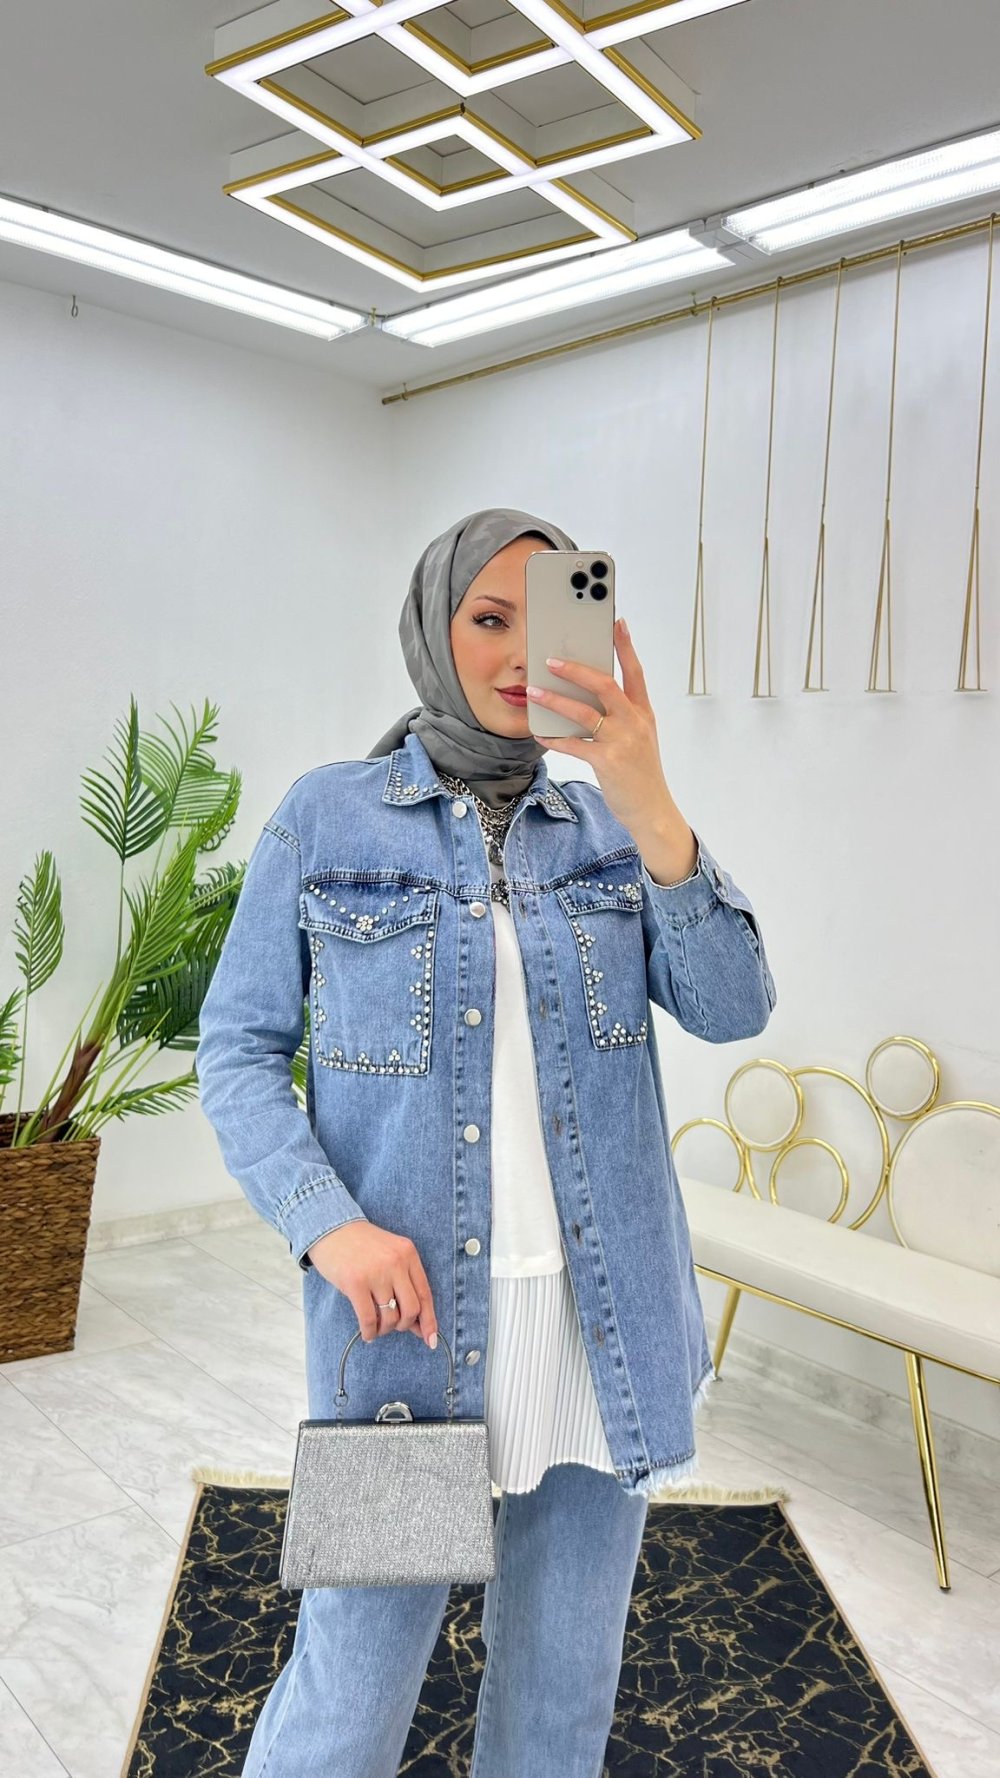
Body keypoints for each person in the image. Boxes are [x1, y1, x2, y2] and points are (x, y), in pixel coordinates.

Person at [194, 506, 777, 1778]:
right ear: (432, 625)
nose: (519, 652)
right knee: (350, 1690)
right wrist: (327, 1223)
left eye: (546, 615)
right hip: (404, 1341)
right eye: (489, 617)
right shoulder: (328, 818)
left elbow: (735, 1004)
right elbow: (234, 1050)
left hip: (600, 1330)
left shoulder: (613, 828)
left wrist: (645, 788)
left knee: (559, 1698)